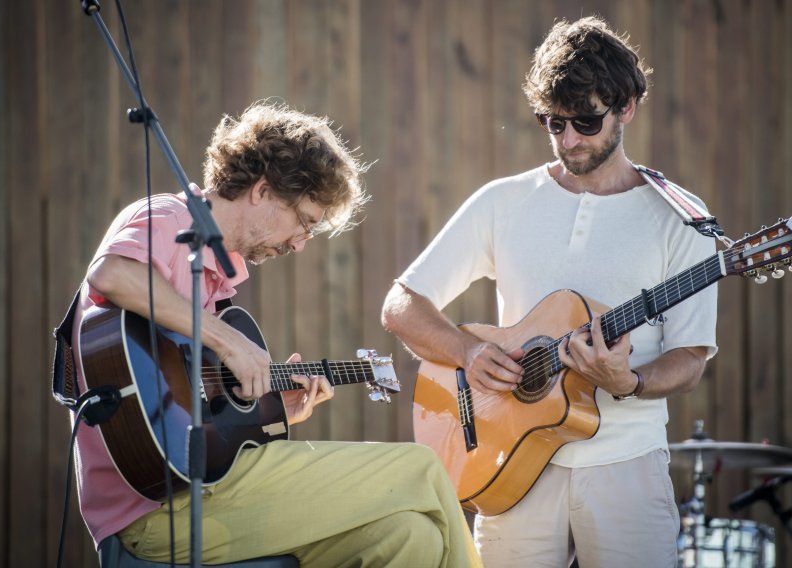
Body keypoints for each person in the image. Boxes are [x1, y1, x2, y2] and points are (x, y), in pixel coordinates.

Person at [70, 101, 482, 567]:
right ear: (263, 190)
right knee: (422, 468)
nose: (300, 243)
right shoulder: (170, 220)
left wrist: (268, 411)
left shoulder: (216, 283)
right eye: (304, 221)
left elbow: (186, 405)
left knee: (411, 537)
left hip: (209, 488)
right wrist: (229, 342)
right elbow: (112, 275)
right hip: (157, 508)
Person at [381, 17, 717, 568]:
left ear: (627, 106)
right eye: (552, 123)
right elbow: (402, 305)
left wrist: (627, 382)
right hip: (509, 466)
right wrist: (467, 352)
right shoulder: (503, 201)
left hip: (628, 470)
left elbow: (689, 359)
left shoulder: (682, 219)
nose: (568, 140)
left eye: (585, 121)